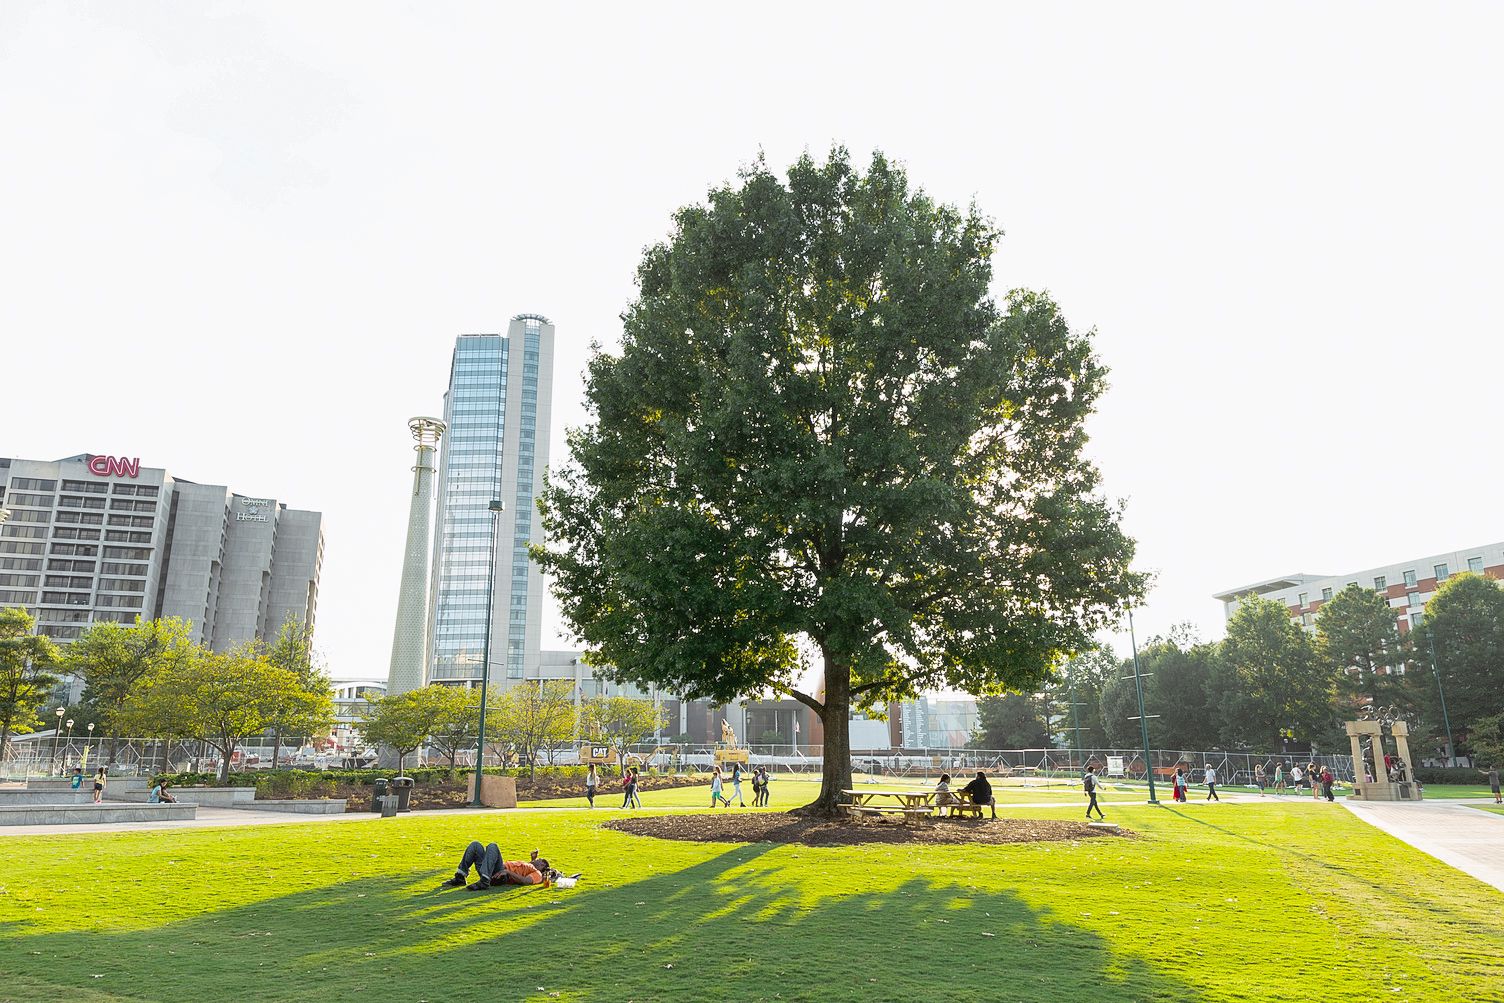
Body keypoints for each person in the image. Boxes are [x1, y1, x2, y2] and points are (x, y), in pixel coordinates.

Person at [442, 844, 563, 891]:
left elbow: (525, 881)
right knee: (475, 846)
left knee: (493, 847)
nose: (538, 860)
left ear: (543, 866)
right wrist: (532, 859)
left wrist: (507, 872)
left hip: (501, 875)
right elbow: (527, 865)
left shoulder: (537, 874)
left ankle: (484, 881)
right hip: (491, 869)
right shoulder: (530, 865)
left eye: (540, 861)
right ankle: (460, 877)